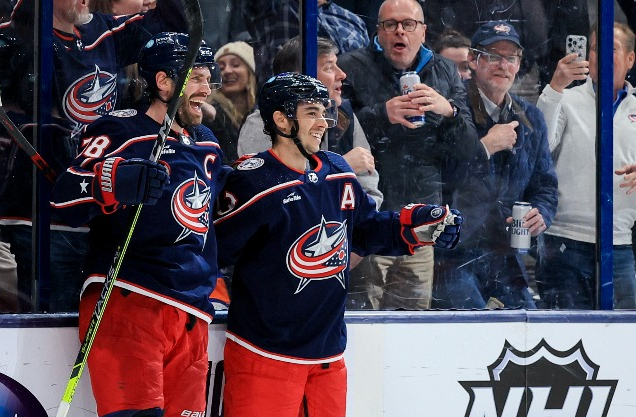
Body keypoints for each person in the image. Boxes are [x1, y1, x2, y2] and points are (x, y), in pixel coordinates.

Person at [213, 72, 463, 417]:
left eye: (324, 113)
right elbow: (211, 250)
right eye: (312, 113)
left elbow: (365, 230)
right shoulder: (251, 182)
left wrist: (418, 226)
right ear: (281, 120)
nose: (323, 122)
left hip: (327, 352)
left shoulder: (337, 172)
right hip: (264, 352)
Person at [50, 33, 226, 417]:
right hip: (131, 296)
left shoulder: (207, 143)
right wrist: (112, 183)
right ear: (164, 81)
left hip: (191, 312)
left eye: (209, 79)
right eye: (198, 79)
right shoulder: (119, 130)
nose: (207, 90)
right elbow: (63, 196)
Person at [0, 0, 186, 312]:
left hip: (95, 216)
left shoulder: (103, 32)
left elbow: (176, 29)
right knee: (53, 334)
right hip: (41, 215)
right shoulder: (23, 34)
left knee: (85, 334)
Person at [337, 0, 477, 310]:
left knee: (413, 322)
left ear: (423, 31)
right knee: (362, 315)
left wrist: (448, 110)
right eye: (390, 24)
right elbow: (334, 139)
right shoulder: (350, 66)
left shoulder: (444, 70)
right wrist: (380, 115)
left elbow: (470, 151)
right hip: (369, 219)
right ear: (378, 31)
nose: (399, 30)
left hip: (421, 221)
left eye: (408, 24)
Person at [433, 21, 557, 309]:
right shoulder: (451, 109)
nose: (503, 65)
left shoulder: (531, 117)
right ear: (474, 60)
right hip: (453, 253)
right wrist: (485, 147)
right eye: (493, 55)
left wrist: (543, 214)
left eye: (511, 58)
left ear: (518, 65)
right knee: (470, 331)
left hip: (506, 254)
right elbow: (439, 179)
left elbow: (545, 184)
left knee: (529, 329)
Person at [536, 22, 636, 309]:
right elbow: (540, 148)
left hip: (619, 245)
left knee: (623, 342)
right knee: (564, 340)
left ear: (630, 59)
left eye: (612, 48)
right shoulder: (564, 99)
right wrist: (554, 88)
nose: (601, 55)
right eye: (595, 48)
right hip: (564, 242)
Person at [238, 36, 382, 210]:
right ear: (300, 78)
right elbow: (272, 195)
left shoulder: (343, 114)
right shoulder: (262, 123)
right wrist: (340, 167)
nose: (342, 74)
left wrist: (346, 222)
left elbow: (370, 191)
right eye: (329, 67)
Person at [237, 0, 370, 85]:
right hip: (282, 113)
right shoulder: (273, 7)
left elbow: (365, 75)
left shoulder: (353, 21)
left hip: (342, 116)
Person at [204, 41, 254, 164]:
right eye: (220, 67)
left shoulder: (261, 113)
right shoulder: (210, 117)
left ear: (250, 72)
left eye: (236, 65)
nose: (227, 71)